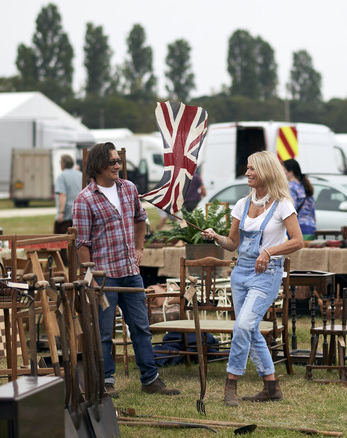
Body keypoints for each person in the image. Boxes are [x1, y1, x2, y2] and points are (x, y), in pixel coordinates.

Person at [73, 142, 179, 397]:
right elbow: (82, 243)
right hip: (103, 277)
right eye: (112, 162)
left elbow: (141, 220)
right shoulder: (84, 199)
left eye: (119, 161)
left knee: (141, 327)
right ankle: (106, 382)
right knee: (103, 333)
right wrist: (91, 277)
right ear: (97, 166)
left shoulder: (128, 188)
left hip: (130, 273)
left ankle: (150, 379)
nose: (117, 166)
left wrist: (139, 248)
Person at [201, 151, 303, 407]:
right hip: (241, 273)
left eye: (251, 169)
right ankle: (271, 385)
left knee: (243, 326)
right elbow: (233, 243)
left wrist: (269, 251)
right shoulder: (242, 204)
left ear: (265, 171)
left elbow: (298, 241)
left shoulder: (283, 205)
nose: (246, 173)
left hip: (267, 274)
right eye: (247, 168)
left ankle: (231, 382)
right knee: (250, 327)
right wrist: (216, 236)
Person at [54, 154, 82, 264]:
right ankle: (77, 259)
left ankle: (63, 261)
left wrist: (61, 212)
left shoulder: (62, 176)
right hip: (78, 212)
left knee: (58, 238)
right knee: (77, 238)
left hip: (66, 213)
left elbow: (62, 195)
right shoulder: (80, 175)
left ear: (63, 164)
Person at [282, 159, 316, 239]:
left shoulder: (290, 187)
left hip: (298, 228)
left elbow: (291, 210)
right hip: (311, 228)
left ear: (290, 172)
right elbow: (312, 211)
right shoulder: (306, 185)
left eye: (283, 170)